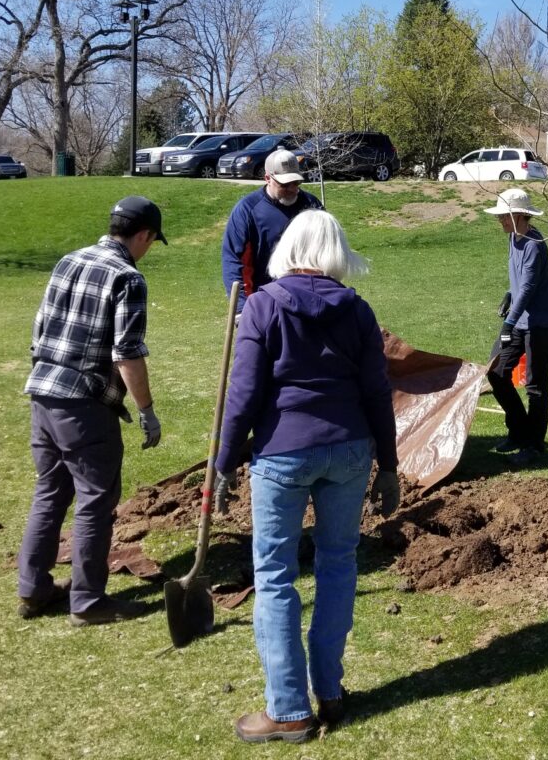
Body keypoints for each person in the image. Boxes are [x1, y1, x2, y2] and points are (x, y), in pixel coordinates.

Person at [217, 210, 399, 744]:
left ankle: (290, 710)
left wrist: (224, 462)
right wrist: (386, 465)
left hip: (283, 453)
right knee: (338, 563)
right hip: (348, 451)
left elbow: (244, 395)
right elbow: (376, 394)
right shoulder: (358, 312)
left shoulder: (263, 306)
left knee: (274, 575)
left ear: (289, 249)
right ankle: (331, 692)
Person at [17, 196, 167, 625]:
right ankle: (87, 601)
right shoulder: (127, 277)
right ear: (143, 235)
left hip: (43, 394)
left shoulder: (69, 260)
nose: (149, 249)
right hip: (84, 406)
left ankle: (33, 589)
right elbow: (127, 353)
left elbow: (39, 327)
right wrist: (147, 410)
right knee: (95, 500)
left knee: (50, 491)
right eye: (152, 241)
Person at [483, 188, 548, 467]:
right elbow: (518, 281)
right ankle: (518, 431)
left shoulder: (534, 244)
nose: (500, 221)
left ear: (518, 216)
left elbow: (528, 287)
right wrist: (508, 292)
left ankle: (534, 445)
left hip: (540, 326)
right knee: (496, 372)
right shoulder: (513, 239)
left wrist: (508, 323)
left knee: (536, 386)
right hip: (519, 321)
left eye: (503, 216)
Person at [221, 148, 323, 312]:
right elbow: (234, 261)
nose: (292, 188)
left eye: (296, 182)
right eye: (284, 184)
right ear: (268, 178)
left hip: (309, 300)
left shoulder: (312, 205)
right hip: (265, 302)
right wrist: (242, 309)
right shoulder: (248, 210)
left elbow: (326, 253)